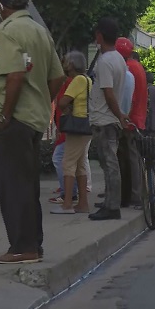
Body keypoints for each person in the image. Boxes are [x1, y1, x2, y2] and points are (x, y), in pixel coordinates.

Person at [0, 0, 65, 264]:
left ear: (2, 6)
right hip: (34, 118)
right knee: (28, 184)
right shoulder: (39, 31)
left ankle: (23, 248)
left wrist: (5, 115)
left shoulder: (8, 30)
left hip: (14, 119)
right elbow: (57, 77)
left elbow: (15, 75)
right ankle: (34, 245)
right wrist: (44, 102)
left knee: (13, 186)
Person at [88, 17, 128, 221]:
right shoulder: (119, 59)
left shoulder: (105, 61)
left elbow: (108, 92)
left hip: (105, 120)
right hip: (110, 119)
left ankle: (112, 206)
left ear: (100, 36)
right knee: (109, 164)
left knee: (109, 164)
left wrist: (119, 114)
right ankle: (110, 203)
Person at [51, 51, 93, 214]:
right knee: (80, 165)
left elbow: (62, 102)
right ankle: (82, 203)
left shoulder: (77, 81)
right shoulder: (88, 79)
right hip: (86, 125)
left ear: (71, 65)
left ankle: (67, 203)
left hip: (76, 125)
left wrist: (66, 108)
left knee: (67, 163)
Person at [115, 37, 146, 208]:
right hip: (136, 118)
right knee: (131, 158)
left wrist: (122, 117)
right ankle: (131, 194)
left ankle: (134, 195)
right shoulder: (137, 66)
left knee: (130, 159)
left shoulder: (129, 69)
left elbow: (129, 97)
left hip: (129, 119)